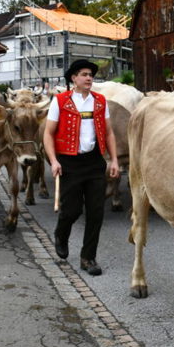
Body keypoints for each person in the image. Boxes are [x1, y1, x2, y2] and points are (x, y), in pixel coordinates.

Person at [43, 59, 119, 275]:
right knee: (72, 210)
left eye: (91, 75)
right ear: (74, 78)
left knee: (96, 212)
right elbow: (48, 133)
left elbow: (109, 132)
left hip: (94, 162)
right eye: (84, 74)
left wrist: (113, 160)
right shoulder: (60, 101)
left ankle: (88, 258)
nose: (89, 78)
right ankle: (61, 233)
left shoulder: (100, 101)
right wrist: (54, 160)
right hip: (69, 162)